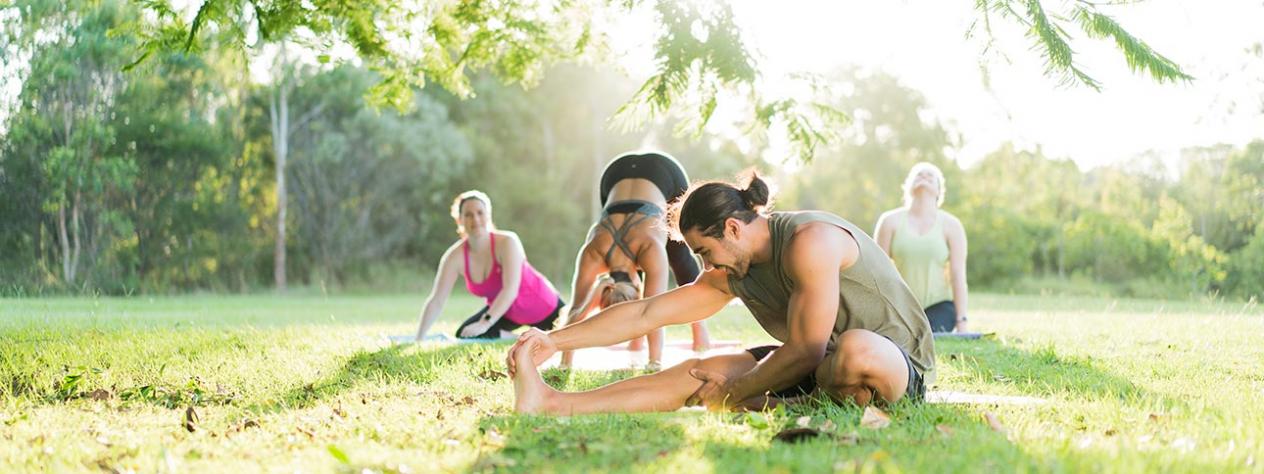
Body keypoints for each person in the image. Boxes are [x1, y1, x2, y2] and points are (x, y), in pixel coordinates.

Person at [506, 171, 935, 415]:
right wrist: (553, 339)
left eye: (706, 252)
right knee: (696, 371)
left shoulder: (810, 241)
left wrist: (734, 390)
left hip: (894, 365)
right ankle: (552, 403)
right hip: (821, 365)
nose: (706, 266)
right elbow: (645, 314)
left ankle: (773, 400)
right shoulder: (734, 268)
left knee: (855, 352)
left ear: (732, 228)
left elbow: (805, 349)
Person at [561, 152, 711, 369]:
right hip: (614, 173)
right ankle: (636, 340)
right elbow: (577, 311)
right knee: (654, 255)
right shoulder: (596, 251)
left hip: (665, 173)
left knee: (678, 255)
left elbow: (653, 314)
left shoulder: (645, 248)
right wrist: (564, 365)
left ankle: (700, 331)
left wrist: (654, 362)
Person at [414, 191, 564, 340]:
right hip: (506, 313)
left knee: (568, 339)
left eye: (480, 213)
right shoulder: (455, 256)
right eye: (468, 215)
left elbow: (510, 289)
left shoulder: (508, 242)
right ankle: (521, 339)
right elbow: (437, 300)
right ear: (460, 220)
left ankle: (534, 337)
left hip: (545, 308)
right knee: (465, 334)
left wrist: (485, 324)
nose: (475, 219)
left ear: (488, 215)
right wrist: (419, 338)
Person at [874, 162, 969, 333]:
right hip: (900, 304)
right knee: (901, 338)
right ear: (908, 187)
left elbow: (957, 274)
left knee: (926, 338)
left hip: (939, 305)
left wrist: (962, 321)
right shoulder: (889, 221)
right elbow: (877, 271)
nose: (924, 177)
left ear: (939, 191)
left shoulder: (952, 225)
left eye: (930, 176)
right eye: (919, 175)